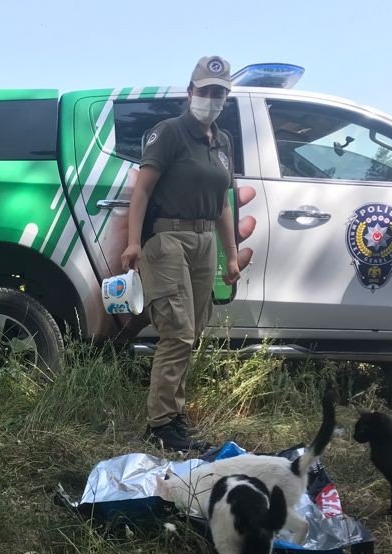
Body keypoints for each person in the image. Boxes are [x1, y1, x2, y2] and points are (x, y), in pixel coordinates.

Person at [120, 55, 242, 453]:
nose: (213, 98)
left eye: (220, 92)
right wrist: (134, 243)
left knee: (194, 331)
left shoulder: (222, 142)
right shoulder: (169, 132)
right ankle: (161, 423)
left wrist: (232, 255)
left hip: (205, 241)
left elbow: (223, 203)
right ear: (191, 92)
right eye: (206, 90)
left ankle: (174, 416)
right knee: (178, 331)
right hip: (167, 239)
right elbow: (142, 190)